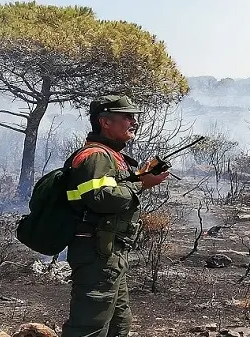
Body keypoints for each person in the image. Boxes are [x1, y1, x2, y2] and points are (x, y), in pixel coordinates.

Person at [60, 95, 170, 337]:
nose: (134, 122)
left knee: (118, 323)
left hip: (109, 254)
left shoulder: (110, 155)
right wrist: (141, 184)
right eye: (127, 116)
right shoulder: (96, 156)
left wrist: (139, 177)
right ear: (105, 122)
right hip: (96, 253)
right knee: (89, 326)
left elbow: (111, 189)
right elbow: (100, 198)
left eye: (134, 117)